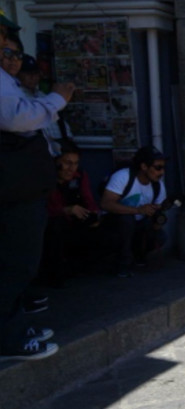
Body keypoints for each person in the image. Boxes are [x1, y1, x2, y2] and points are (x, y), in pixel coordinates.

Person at [1, 23, 75, 361]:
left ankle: (13, 327)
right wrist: (57, 98)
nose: (13, 59)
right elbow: (18, 119)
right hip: (13, 192)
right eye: (5, 51)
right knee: (13, 265)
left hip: (23, 190)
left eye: (16, 52)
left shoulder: (10, 83)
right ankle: (7, 339)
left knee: (20, 264)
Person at [100, 146, 169, 278]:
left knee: (160, 236)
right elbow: (105, 203)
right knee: (126, 220)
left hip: (139, 224)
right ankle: (123, 263)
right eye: (158, 168)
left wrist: (158, 219)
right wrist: (137, 210)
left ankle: (138, 255)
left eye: (163, 168)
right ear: (144, 167)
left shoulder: (157, 185)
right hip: (113, 225)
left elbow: (158, 215)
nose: (162, 172)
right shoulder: (123, 177)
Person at [41, 141, 102, 287]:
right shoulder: (45, 179)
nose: (71, 168)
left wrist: (94, 214)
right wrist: (65, 210)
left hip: (75, 220)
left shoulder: (79, 176)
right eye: (67, 163)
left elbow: (88, 199)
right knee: (56, 228)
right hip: (50, 224)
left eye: (75, 163)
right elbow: (43, 209)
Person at [17, 53, 74, 155]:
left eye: (35, 73)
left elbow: (59, 121)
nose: (32, 77)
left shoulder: (44, 96)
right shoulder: (17, 97)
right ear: (19, 74)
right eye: (27, 74)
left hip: (60, 147)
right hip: (37, 150)